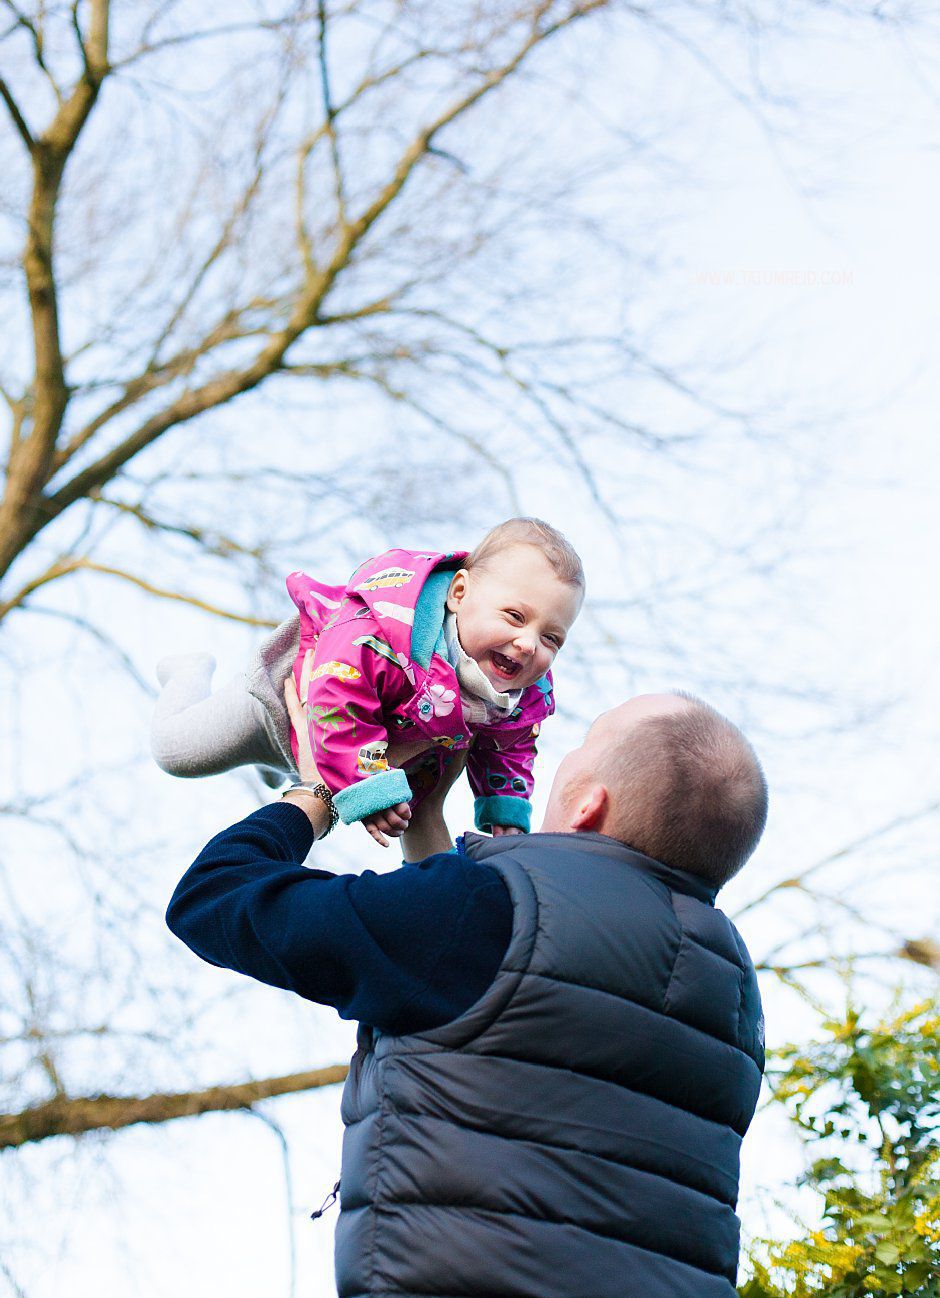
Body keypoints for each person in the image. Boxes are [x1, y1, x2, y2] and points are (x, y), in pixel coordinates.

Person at [166, 683, 769, 1298]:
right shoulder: (734, 992)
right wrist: (426, 830)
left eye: (586, 742)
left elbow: (214, 899)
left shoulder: (487, 912)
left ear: (588, 805)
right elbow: (492, 1023)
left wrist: (317, 791)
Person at [152, 517, 584, 845]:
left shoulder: (518, 694)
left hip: (357, 750)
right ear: (459, 593)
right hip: (279, 709)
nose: (529, 644)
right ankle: (188, 671)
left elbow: (509, 746)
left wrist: (504, 808)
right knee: (176, 752)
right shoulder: (386, 633)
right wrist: (367, 785)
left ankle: (273, 767)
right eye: (514, 616)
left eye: (551, 638)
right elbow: (340, 696)